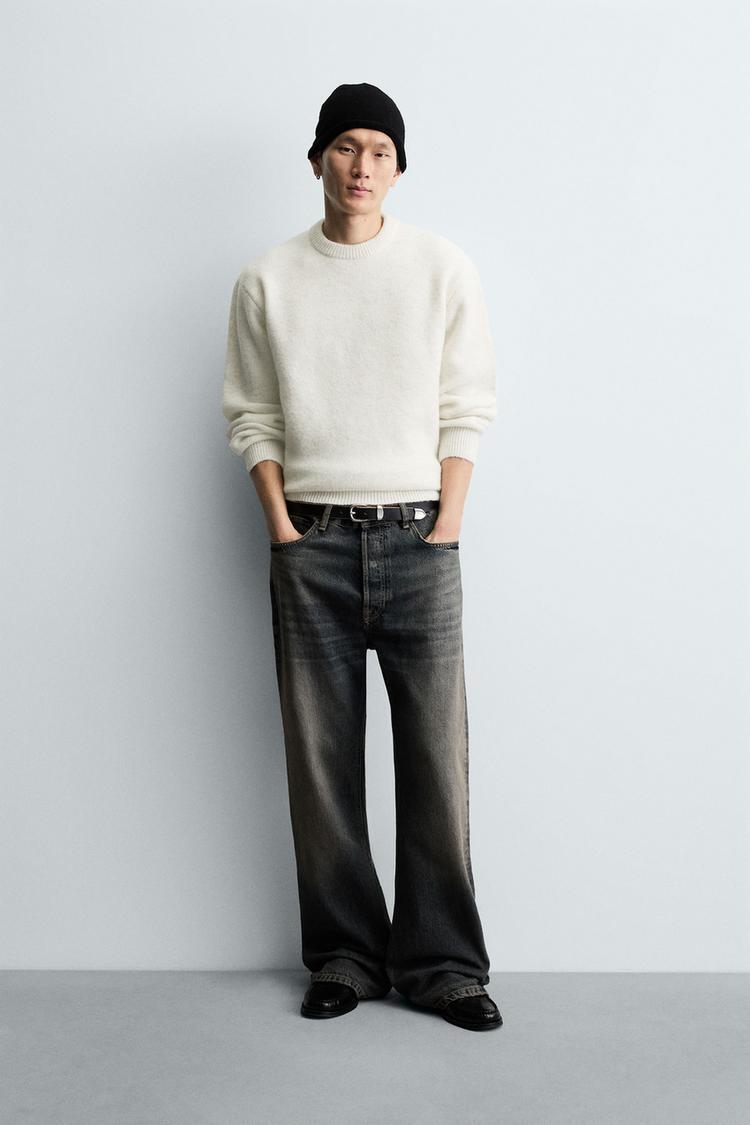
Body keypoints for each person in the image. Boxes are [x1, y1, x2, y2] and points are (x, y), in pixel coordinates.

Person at [222, 82, 502, 1032]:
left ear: (399, 167)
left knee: (436, 762)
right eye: (345, 146)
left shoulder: (440, 267)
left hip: (421, 538)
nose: (362, 165)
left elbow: (466, 404)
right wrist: (282, 526)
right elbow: (252, 414)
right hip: (313, 540)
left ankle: (444, 966)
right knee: (321, 764)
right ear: (317, 160)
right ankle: (345, 955)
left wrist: (447, 524)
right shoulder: (269, 279)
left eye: (380, 150)